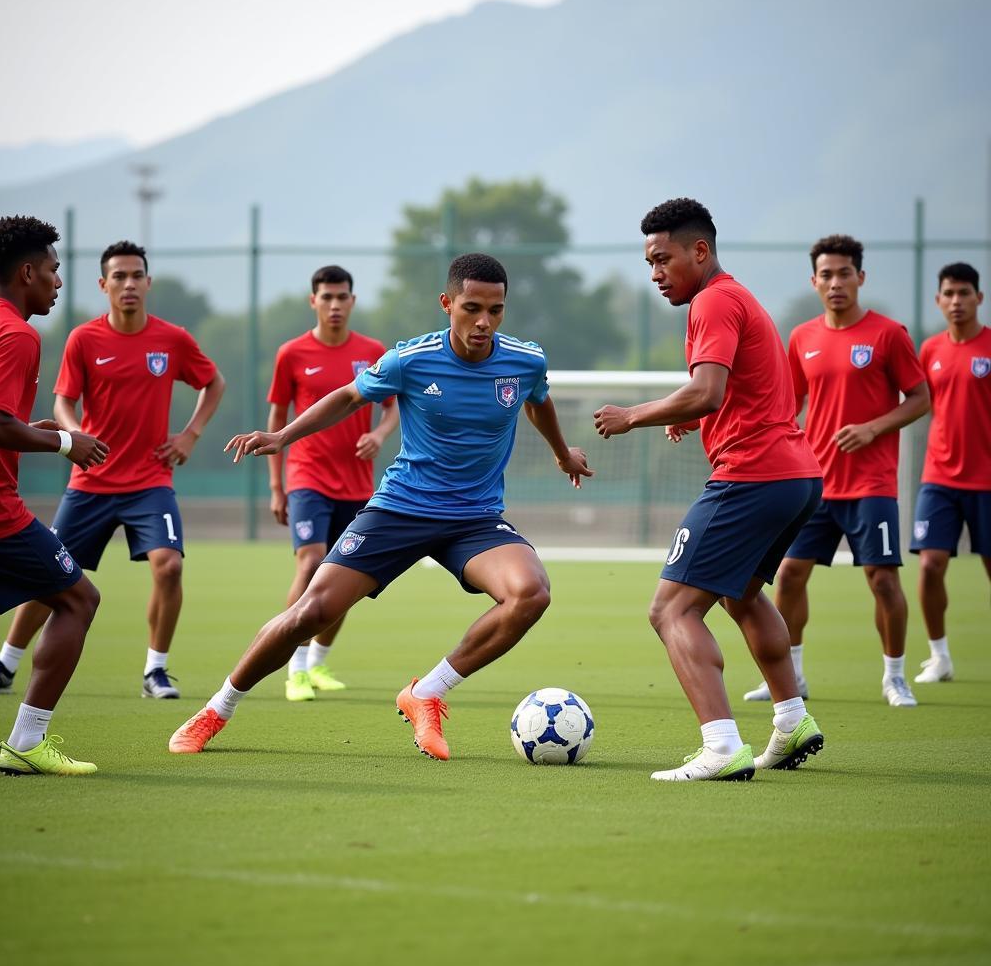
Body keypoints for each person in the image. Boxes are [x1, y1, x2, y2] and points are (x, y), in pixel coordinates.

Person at [168, 252, 592, 760]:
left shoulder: (525, 361)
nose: (483, 322)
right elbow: (348, 398)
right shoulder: (410, 360)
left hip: (474, 519)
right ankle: (217, 708)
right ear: (447, 303)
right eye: (471, 308)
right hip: (401, 509)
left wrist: (562, 453)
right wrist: (282, 436)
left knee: (531, 594)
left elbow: (538, 401)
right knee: (312, 611)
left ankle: (427, 693)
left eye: (495, 311)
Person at [593, 197, 824, 782]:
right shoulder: (739, 296)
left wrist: (635, 414)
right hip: (798, 477)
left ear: (700, 250)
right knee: (741, 594)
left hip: (752, 475)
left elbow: (708, 391)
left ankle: (721, 746)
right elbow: (738, 387)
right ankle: (792, 719)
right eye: (649, 263)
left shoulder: (712, 301)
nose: (655, 274)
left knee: (670, 609)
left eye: (662, 259)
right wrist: (692, 414)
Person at [0, 240, 224, 701]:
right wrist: (70, 438)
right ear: (104, 285)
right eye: (119, 276)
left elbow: (213, 382)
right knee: (55, 579)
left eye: (136, 275)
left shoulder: (172, 339)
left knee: (168, 568)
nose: (129, 284)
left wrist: (190, 435)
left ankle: (156, 671)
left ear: (148, 283)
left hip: (150, 481)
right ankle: (6, 663)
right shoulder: (81, 339)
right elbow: (62, 400)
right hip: (90, 482)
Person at [742, 235, 929, 708]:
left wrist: (872, 429)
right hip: (816, 481)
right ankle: (793, 677)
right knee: (788, 577)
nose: (836, 282)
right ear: (814, 281)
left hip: (872, 484)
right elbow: (789, 402)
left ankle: (895, 676)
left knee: (883, 581)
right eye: (826, 274)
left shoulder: (889, 334)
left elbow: (920, 399)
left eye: (844, 273)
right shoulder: (802, 337)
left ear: (860, 277)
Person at [0, 215, 107, 775]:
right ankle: (26, 743)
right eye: (52, 270)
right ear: (26, 272)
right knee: (79, 600)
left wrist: (39, 430)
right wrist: (66, 442)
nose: (57, 281)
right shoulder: (18, 333)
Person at [265, 264, 397, 702]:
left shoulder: (373, 350)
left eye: (342, 298)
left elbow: (393, 407)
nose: (335, 305)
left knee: (348, 574)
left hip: (357, 484)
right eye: (327, 297)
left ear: (352, 301)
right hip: (306, 477)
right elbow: (278, 419)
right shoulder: (292, 353)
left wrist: (378, 435)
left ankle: (318, 662)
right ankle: (293, 666)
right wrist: (276, 487)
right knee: (311, 562)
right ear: (314, 301)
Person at [909, 262, 990, 683]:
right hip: (939, 477)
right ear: (938, 301)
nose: (956, 301)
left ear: (979, 298)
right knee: (930, 565)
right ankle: (939, 656)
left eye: (964, 293)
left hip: (988, 481)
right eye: (949, 294)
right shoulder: (931, 350)